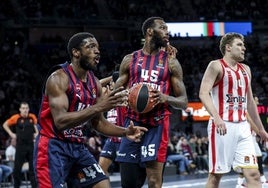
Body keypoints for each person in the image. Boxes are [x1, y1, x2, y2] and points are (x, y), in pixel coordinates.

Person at [33, 32, 148, 188]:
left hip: (77, 148)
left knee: (101, 184)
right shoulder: (58, 78)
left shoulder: (94, 83)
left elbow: (98, 123)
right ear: (76, 52)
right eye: (91, 47)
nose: (97, 51)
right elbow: (60, 121)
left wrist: (125, 132)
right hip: (52, 147)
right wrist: (100, 106)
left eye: (98, 47)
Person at [114, 17, 188, 188]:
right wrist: (123, 96)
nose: (167, 31)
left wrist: (165, 98)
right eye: (162, 28)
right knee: (129, 183)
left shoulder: (171, 62)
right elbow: (115, 92)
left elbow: (183, 102)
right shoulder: (129, 59)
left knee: (154, 182)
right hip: (132, 124)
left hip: (157, 126)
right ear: (149, 32)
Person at [199, 32, 268, 188]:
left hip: (243, 127)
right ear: (228, 48)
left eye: (243, 45)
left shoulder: (246, 69)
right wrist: (216, 117)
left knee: (254, 174)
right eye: (239, 45)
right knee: (216, 175)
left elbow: (250, 102)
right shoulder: (215, 65)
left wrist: (261, 130)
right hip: (223, 126)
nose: (244, 48)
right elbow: (203, 93)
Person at [2, 101, 39, 188]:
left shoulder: (32, 117)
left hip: (31, 146)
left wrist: (36, 133)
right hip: (20, 147)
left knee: (32, 170)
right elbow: (5, 124)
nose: (25, 110)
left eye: (26, 108)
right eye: (23, 108)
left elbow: (37, 127)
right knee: (17, 170)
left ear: (29, 109)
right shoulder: (16, 118)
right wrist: (11, 134)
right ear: (20, 109)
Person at [99, 71, 127, 179]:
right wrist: (112, 76)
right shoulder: (108, 94)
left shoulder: (124, 93)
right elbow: (98, 83)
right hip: (111, 139)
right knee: (100, 169)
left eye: (111, 83)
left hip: (123, 138)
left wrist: (118, 78)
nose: (109, 84)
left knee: (126, 173)